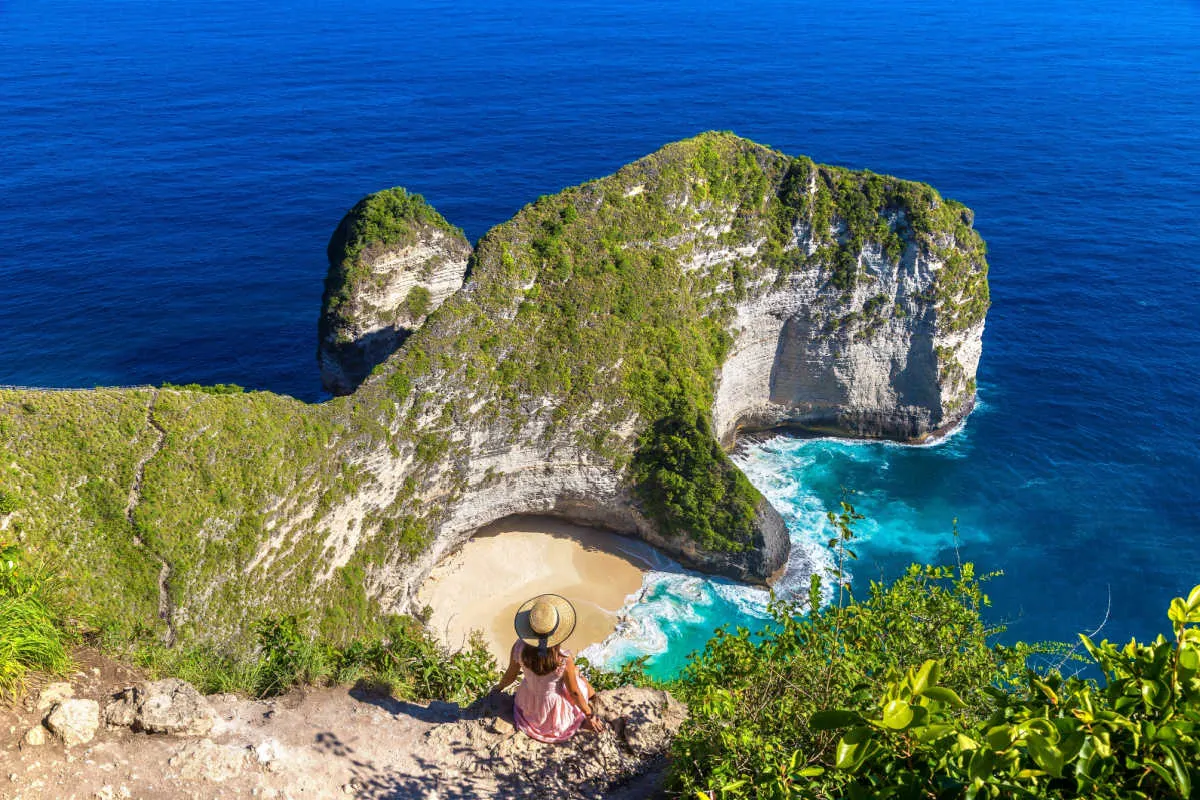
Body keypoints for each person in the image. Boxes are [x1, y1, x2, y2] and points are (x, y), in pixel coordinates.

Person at [492, 593, 603, 742]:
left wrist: (497, 689)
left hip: (528, 704)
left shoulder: (519, 648)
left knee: (573, 672)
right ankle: (595, 699)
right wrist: (589, 715)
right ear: (557, 632)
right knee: (577, 675)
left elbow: (510, 676)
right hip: (553, 712)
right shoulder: (562, 658)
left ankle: (594, 697)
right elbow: (574, 692)